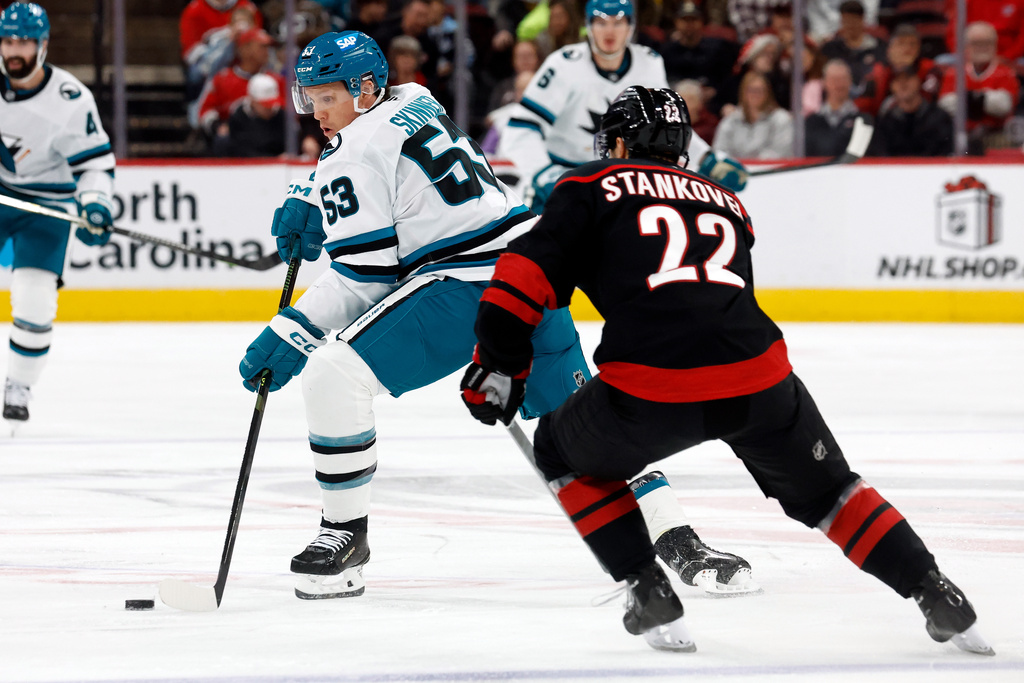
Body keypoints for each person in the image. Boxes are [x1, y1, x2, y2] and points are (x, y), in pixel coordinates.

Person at [460, 84, 995, 656]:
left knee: (559, 451)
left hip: (652, 384)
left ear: (617, 141)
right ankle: (935, 592)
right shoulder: (727, 202)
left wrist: (499, 364)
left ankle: (647, 586)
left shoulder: (587, 185)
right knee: (832, 492)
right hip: (760, 377)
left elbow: (520, 277)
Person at [237, 31, 755, 603]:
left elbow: (367, 276)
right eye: (307, 98)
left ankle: (344, 538)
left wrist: (292, 330)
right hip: (536, 273)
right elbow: (374, 154)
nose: (315, 113)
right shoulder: (414, 96)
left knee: (332, 374)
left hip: (470, 288)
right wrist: (312, 192)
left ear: (363, 89)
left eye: (325, 98)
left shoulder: (351, 153)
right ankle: (678, 538)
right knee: (588, 422)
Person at [499, 0, 748, 216]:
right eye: (601, 22)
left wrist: (709, 160)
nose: (610, 31)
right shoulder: (564, 65)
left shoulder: (648, 64)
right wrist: (543, 175)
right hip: (563, 180)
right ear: (588, 26)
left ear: (631, 26)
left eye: (618, 22)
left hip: (619, 185)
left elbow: (665, 129)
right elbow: (520, 130)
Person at [0, 3, 115, 426]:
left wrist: (96, 203)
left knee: (35, 299)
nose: (14, 51)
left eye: (24, 42)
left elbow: (95, 167)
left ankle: (19, 384)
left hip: (44, 206)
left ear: (43, 45)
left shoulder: (69, 100)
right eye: (8, 40)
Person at [937, 21, 1019, 153]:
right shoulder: (954, 73)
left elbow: (1004, 105)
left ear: (995, 45)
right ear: (966, 47)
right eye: (976, 43)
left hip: (996, 135)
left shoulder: (1006, 73)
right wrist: (985, 99)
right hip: (960, 134)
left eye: (987, 43)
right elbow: (945, 105)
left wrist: (968, 98)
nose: (982, 47)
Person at [871, 65, 952, 156]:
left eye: (908, 78)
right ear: (891, 86)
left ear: (918, 81)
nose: (903, 84)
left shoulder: (939, 118)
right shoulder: (885, 123)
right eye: (897, 80)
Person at [713, 70, 794, 158]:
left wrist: (752, 165)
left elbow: (780, 152)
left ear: (768, 93)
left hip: (770, 169)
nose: (755, 94)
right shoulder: (731, 120)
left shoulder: (781, 119)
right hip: (735, 169)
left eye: (760, 90)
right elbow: (720, 150)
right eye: (751, 90)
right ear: (743, 92)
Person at [210, 72, 288, 157]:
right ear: (253, 101)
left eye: (272, 103)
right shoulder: (239, 117)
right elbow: (241, 150)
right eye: (265, 104)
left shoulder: (282, 116)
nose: (270, 108)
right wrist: (274, 159)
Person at [804, 59, 866, 156]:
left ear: (850, 82)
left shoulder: (863, 120)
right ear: (824, 83)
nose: (839, 84)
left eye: (843, 79)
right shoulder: (811, 122)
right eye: (834, 79)